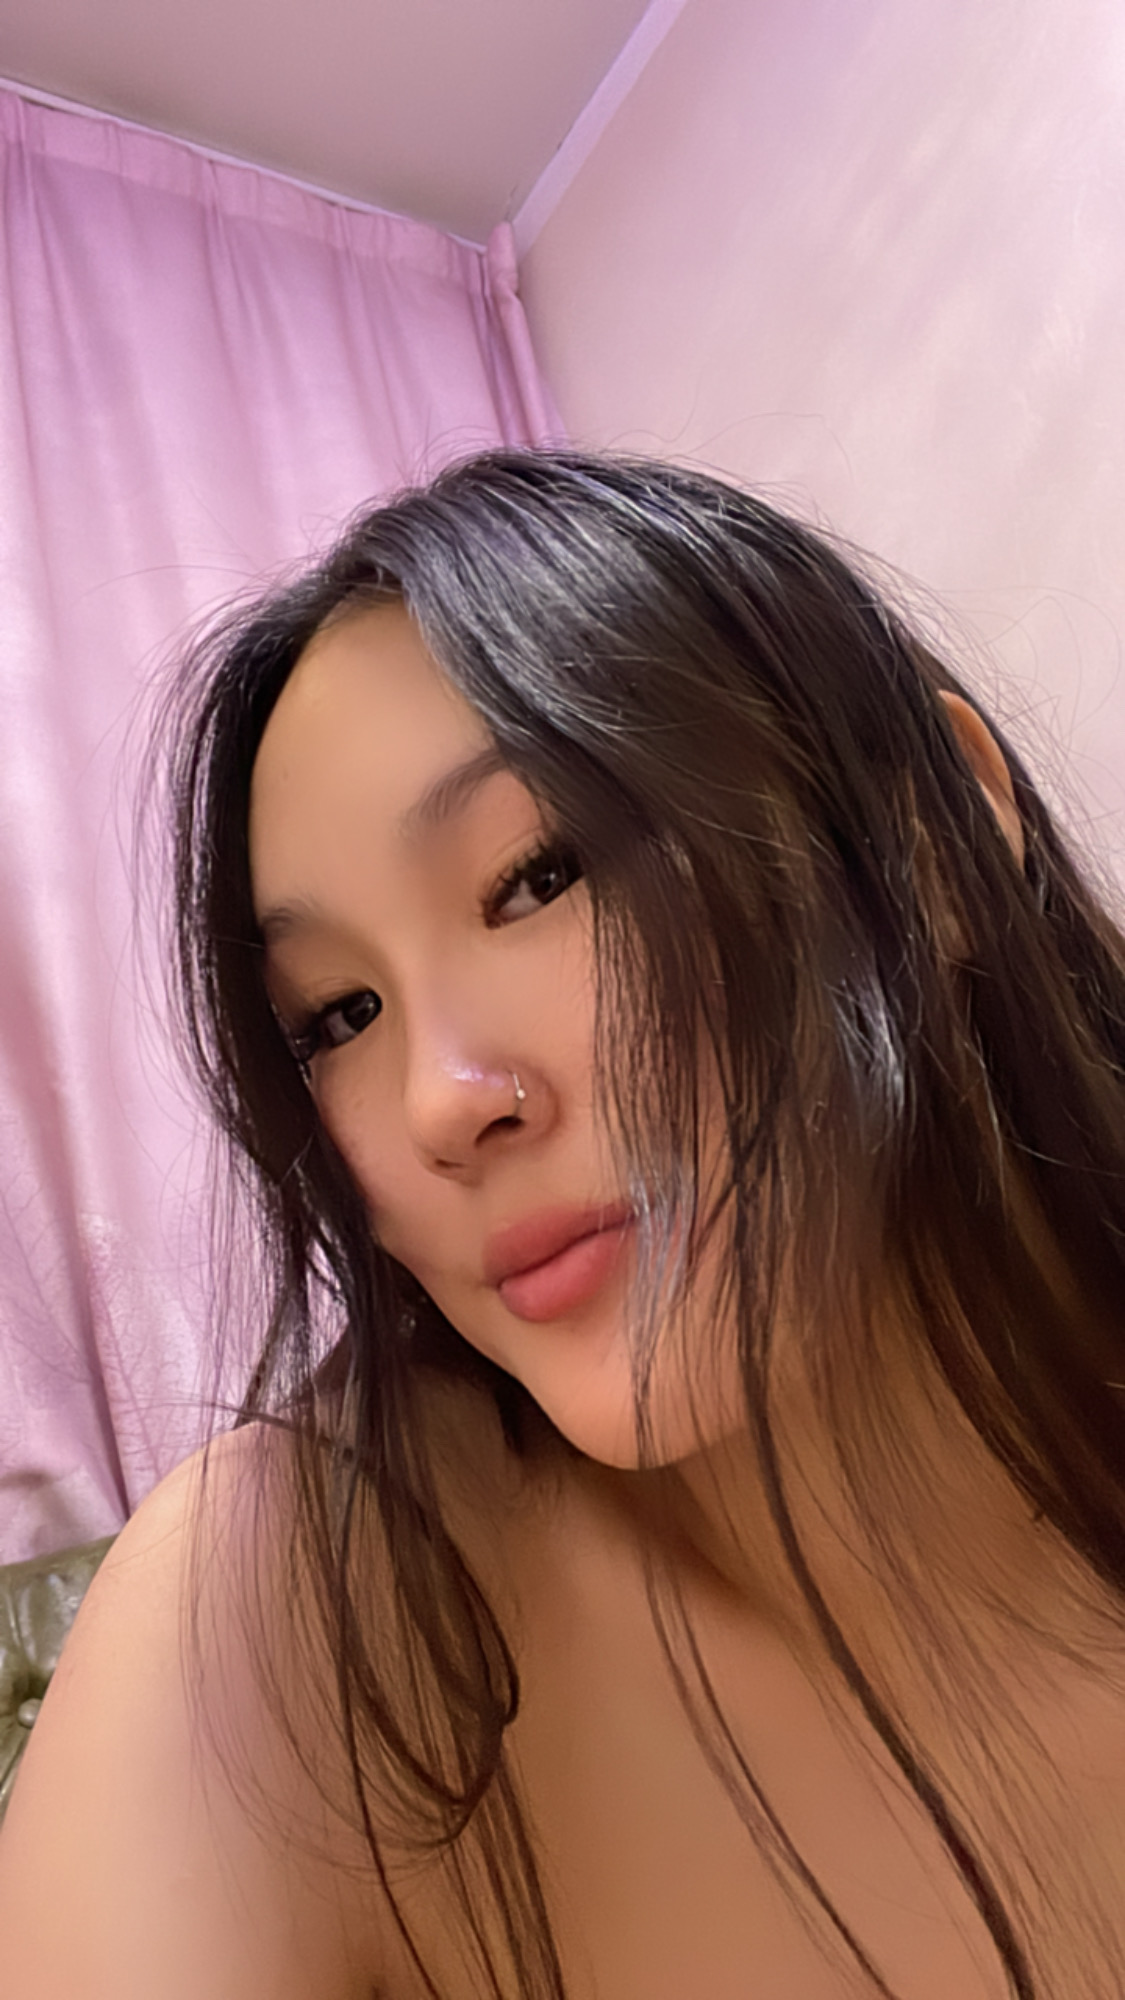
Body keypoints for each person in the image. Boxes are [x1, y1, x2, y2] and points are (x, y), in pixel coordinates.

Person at [3, 449, 1125, 2000]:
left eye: (537, 876)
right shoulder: (283, 1617)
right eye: (337, 1015)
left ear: (932, 837)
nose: (435, 1105)